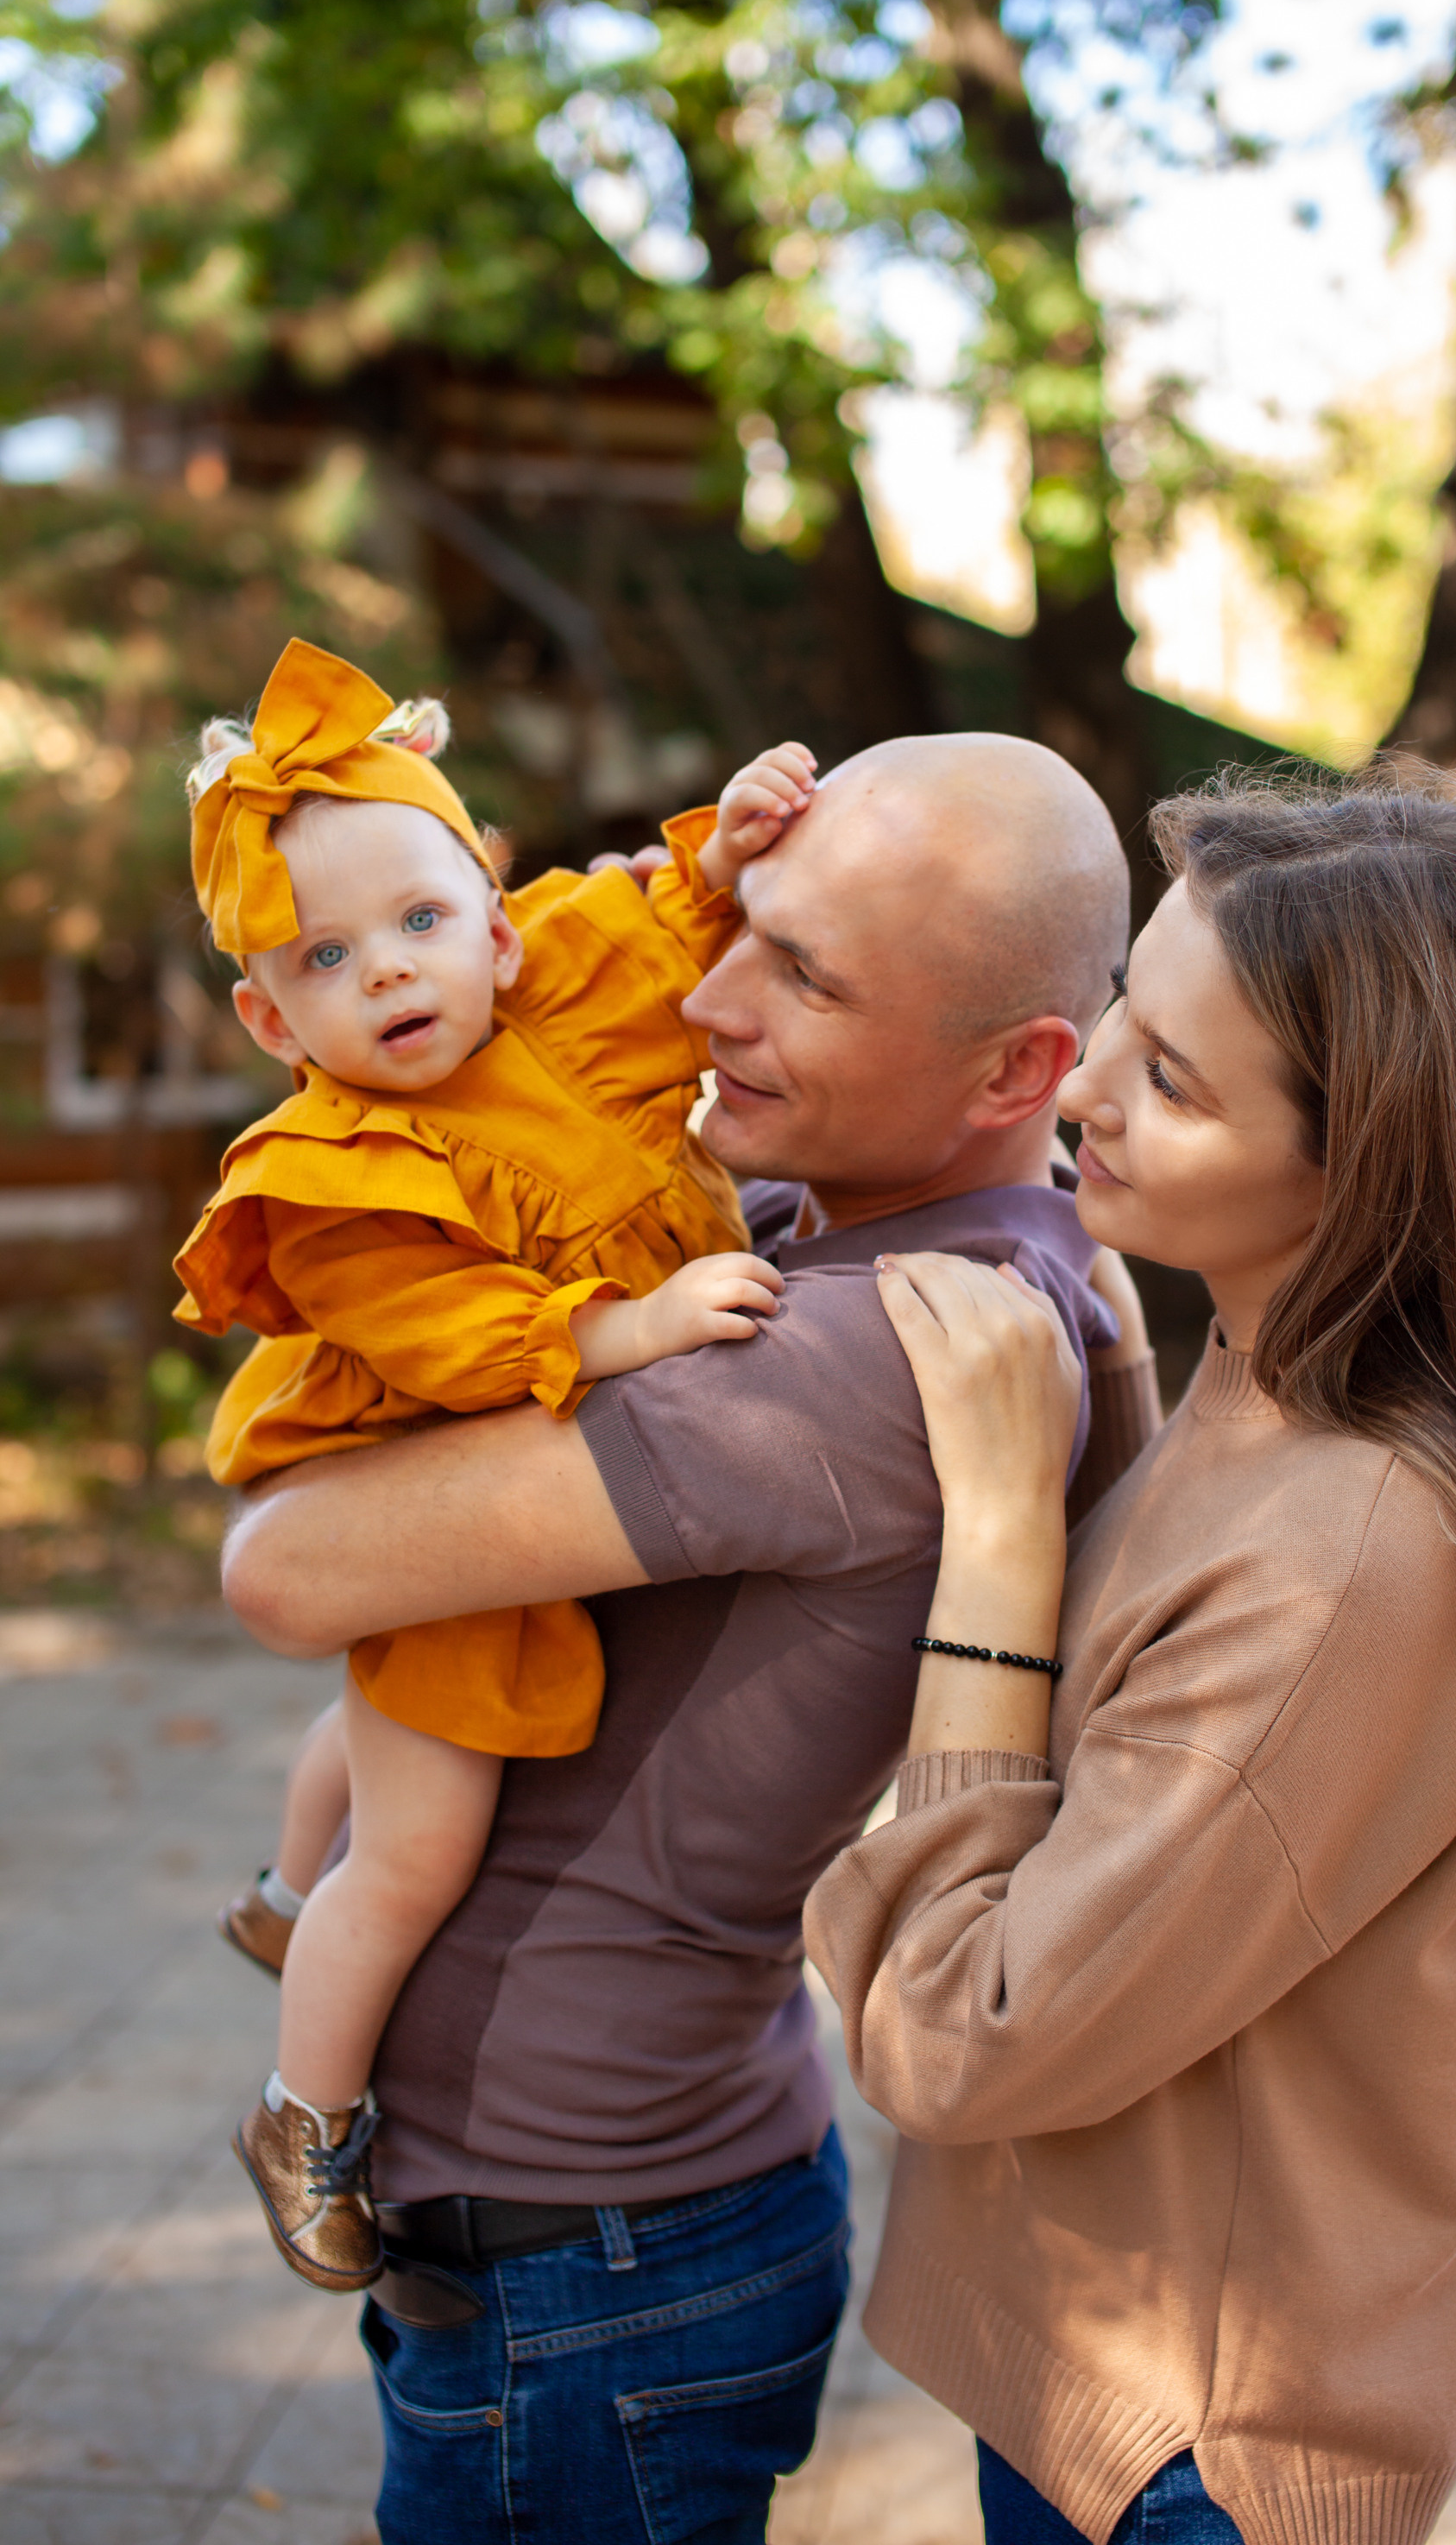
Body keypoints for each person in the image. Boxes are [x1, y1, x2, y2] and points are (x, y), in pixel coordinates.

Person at [218, 729, 1157, 2545]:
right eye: (749, 928)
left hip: (582, 2249)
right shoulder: (864, 1235)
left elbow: (286, 1570)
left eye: (800, 971)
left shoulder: (867, 1352)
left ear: (1017, 1067)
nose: (711, 998)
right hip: (628, 2204)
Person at [804, 767, 1456, 2545]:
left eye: (1168, 1082)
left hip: (1200, 2465)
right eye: (1120, 1016)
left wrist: (1005, 1538)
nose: (1079, 1085)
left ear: (1359, 1172)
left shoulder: (1352, 1558)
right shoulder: (1260, 1375)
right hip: (1106, 2396)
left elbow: (958, 2035)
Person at [175, 635, 808, 2294]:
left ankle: (272, 1888)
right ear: (268, 1012)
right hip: (433, 1487)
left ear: (499, 921)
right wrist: (640, 1325)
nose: (388, 973)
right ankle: (304, 2109)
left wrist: (731, 848)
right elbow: (464, 1349)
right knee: (421, 1843)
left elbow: (677, 926)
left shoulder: (559, 1005)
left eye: (420, 921)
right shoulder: (334, 1177)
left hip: (488, 1489)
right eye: (326, 955)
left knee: (372, 1736)